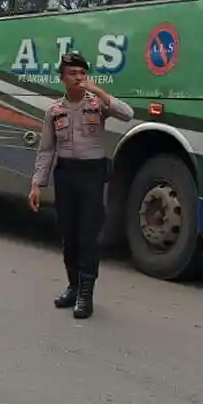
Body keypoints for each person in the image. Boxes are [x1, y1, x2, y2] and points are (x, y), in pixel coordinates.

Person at [28, 52, 133, 319]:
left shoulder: (97, 104)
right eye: (73, 74)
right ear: (62, 78)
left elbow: (127, 114)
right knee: (69, 234)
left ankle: (86, 294)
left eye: (82, 73)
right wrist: (37, 184)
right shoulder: (54, 110)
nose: (79, 78)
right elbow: (46, 150)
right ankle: (73, 287)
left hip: (92, 175)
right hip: (66, 175)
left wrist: (97, 89)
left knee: (88, 235)